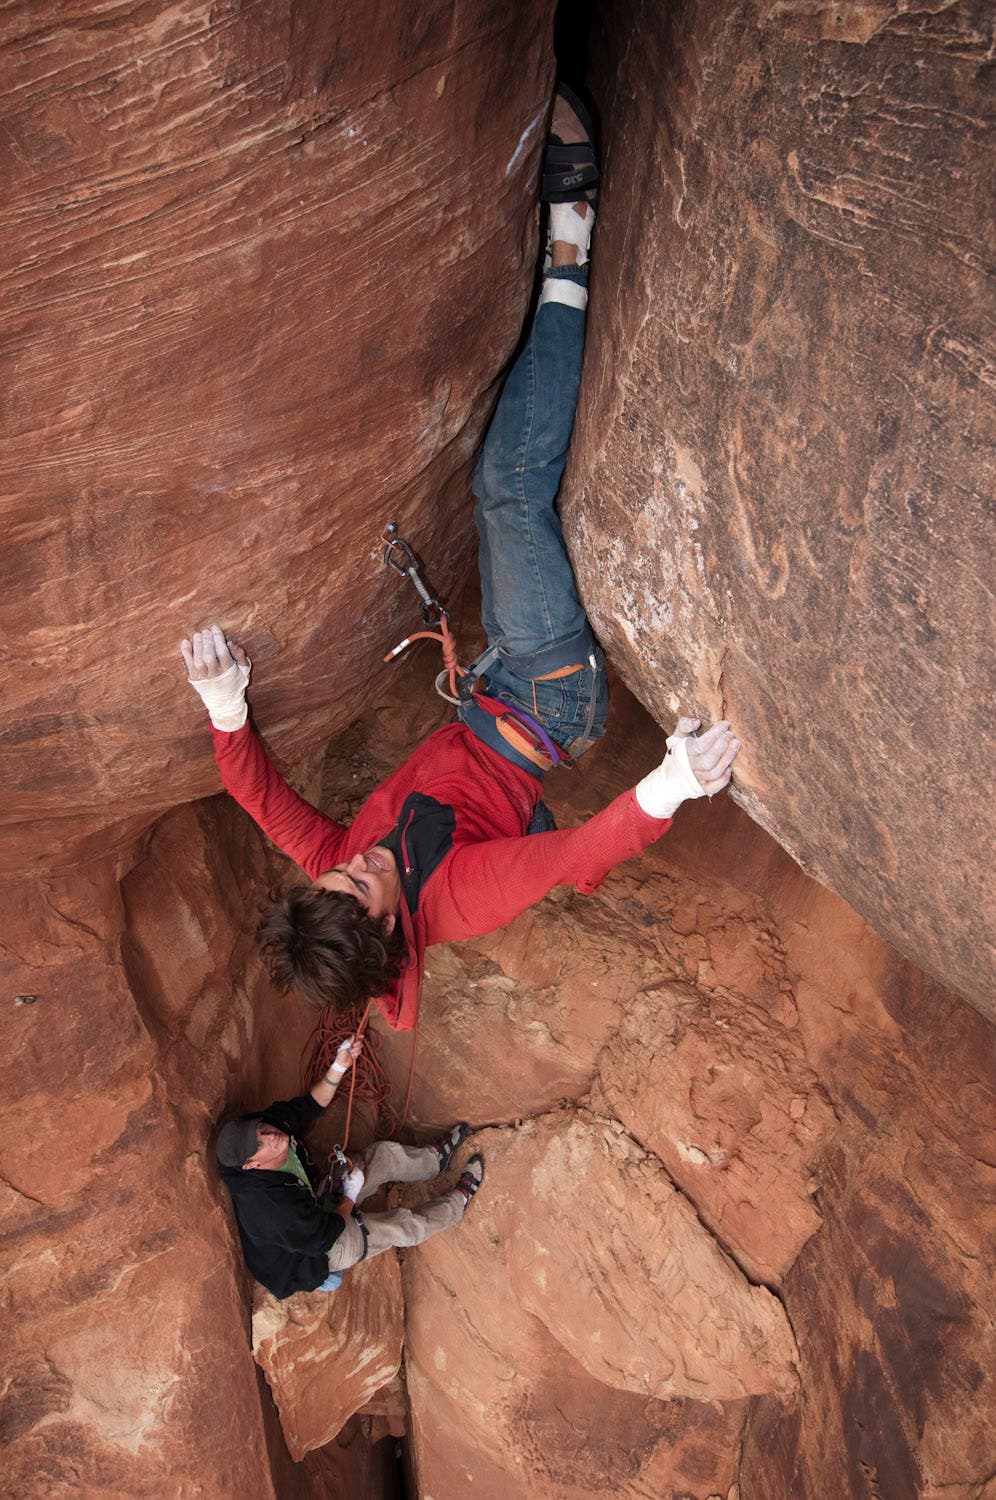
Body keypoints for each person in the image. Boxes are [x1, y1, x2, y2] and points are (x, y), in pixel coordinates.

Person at [181, 85, 741, 1032]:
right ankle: (572, 236)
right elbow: (575, 858)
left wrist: (227, 706)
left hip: (494, 688)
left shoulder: (343, 862)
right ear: (392, 932)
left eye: (338, 871)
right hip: (548, 696)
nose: (354, 863)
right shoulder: (459, 897)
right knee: (506, 490)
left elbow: (257, 797)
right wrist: (676, 784)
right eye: (358, 883)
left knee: (501, 491)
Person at [216, 1032, 484, 1299]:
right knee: (398, 1226)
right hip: (314, 1252)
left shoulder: (268, 1127)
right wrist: (349, 1196)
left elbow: (309, 1106)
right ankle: (456, 1205)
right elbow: (324, 1235)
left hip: (310, 1204)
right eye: (261, 1145)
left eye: (262, 1130)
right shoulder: (272, 1209)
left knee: (381, 1156)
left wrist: (339, 1065)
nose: (270, 1137)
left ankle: (433, 1162)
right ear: (251, 1166)